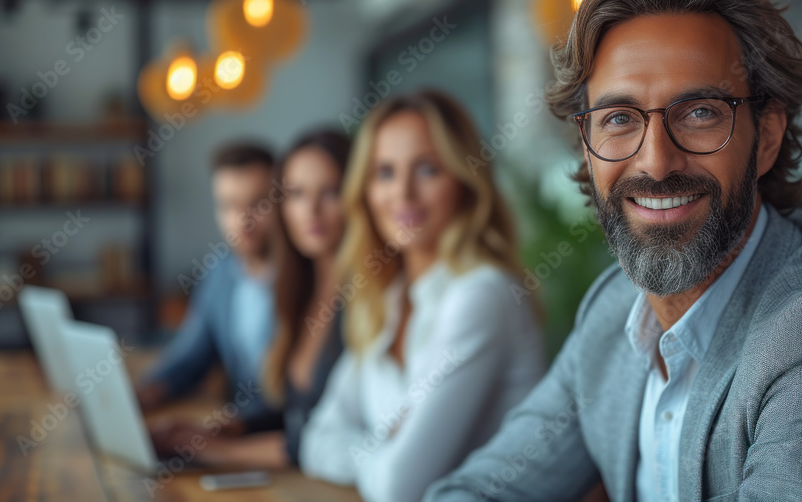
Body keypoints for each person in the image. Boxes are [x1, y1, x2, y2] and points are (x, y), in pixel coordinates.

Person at [427, 0, 802, 501]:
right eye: (620, 119)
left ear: (767, 136)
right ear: (586, 148)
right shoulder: (612, 315)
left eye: (700, 112)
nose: (656, 162)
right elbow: (482, 488)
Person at [299, 90, 546, 502]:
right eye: (385, 173)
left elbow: (400, 487)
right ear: (365, 189)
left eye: (428, 169)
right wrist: (384, 451)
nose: (403, 194)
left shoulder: (481, 295)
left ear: (465, 181)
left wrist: (377, 451)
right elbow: (315, 439)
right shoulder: (386, 300)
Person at [149, 129, 352, 467]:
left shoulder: (364, 295)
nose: (242, 221)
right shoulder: (292, 283)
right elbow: (190, 357)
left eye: (330, 192)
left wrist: (223, 449)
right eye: (298, 194)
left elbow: (341, 431)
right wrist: (230, 428)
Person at [137, 142, 279, 421]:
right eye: (229, 206)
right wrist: (142, 393)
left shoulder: (309, 277)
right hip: (238, 432)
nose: (242, 220)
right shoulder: (221, 271)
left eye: (257, 204)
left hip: (286, 441)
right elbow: (192, 354)